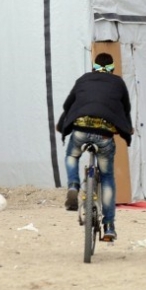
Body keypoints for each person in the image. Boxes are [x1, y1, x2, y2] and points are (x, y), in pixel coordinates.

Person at [56, 52, 133, 241]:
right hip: (105, 134)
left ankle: (73, 185)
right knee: (107, 177)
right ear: (113, 68)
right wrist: (126, 130)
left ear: (93, 67)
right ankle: (108, 226)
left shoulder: (83, 79)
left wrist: (61, 125)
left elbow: (68, 105)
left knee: (72, 156)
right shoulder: (118, 83)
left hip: (80, 129)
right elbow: (126, 109)